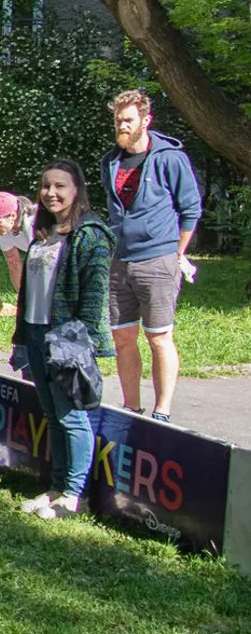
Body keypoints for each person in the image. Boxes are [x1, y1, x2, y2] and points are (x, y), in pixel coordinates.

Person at [12, 160, 114, 519]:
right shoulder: (41, 234)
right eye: (45, 186)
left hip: (68, 340)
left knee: (72, 418)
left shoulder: (90, 235)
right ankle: (56, 488)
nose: (51, 193)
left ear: (77, 191)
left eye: (60, 187)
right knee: (53, 416)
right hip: (36, 332)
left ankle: (74, 494)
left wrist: (76, 343)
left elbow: (94, 298)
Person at [100, 90, 203, 422]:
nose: (122, 126)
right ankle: (131, 408)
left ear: (146, 120)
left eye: (128, 120)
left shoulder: (170, 158)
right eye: (118, 120)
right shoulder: (110, 161)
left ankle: (162, 412)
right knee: (123, 336)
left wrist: (176, 254)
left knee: (159, 337)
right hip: (121, 260)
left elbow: (190, 210)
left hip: (158, 259)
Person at [0, 190, 35, 293]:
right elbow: (14, 264)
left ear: (12, 216)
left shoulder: (33, 223)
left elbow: (43, 265)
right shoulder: (2, 230)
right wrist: (24, 298)